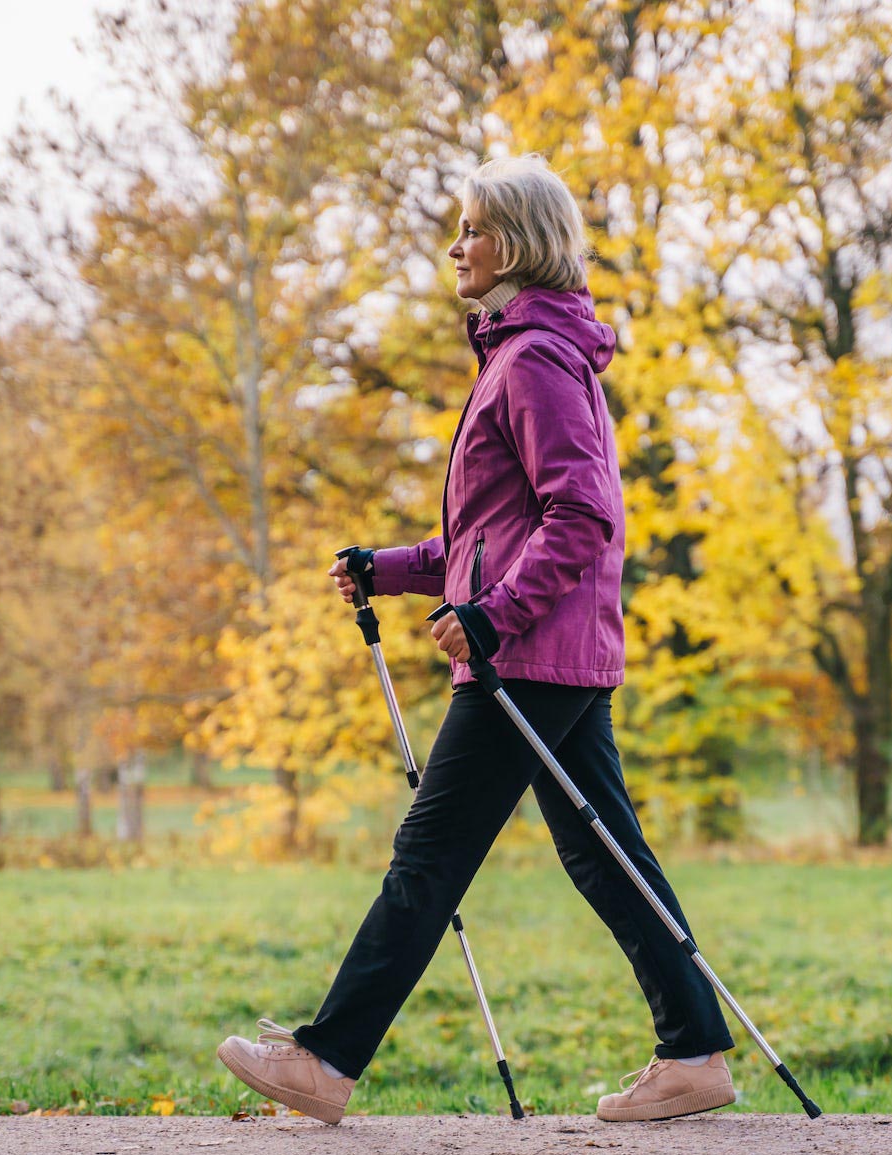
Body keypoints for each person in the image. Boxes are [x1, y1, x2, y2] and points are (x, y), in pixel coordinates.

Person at [215, 154, 736, 1125]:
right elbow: (481, 539)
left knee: (430, 854)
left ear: (519, 243)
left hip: (525, 654)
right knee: (602, 851)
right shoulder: (517, 354)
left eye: (472, 229)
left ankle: (325, 1064)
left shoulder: (535, 358)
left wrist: (494, 618)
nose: (455, 245)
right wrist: (390, 566)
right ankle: (695, 1052)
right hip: (549, 649)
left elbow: (583, 515)